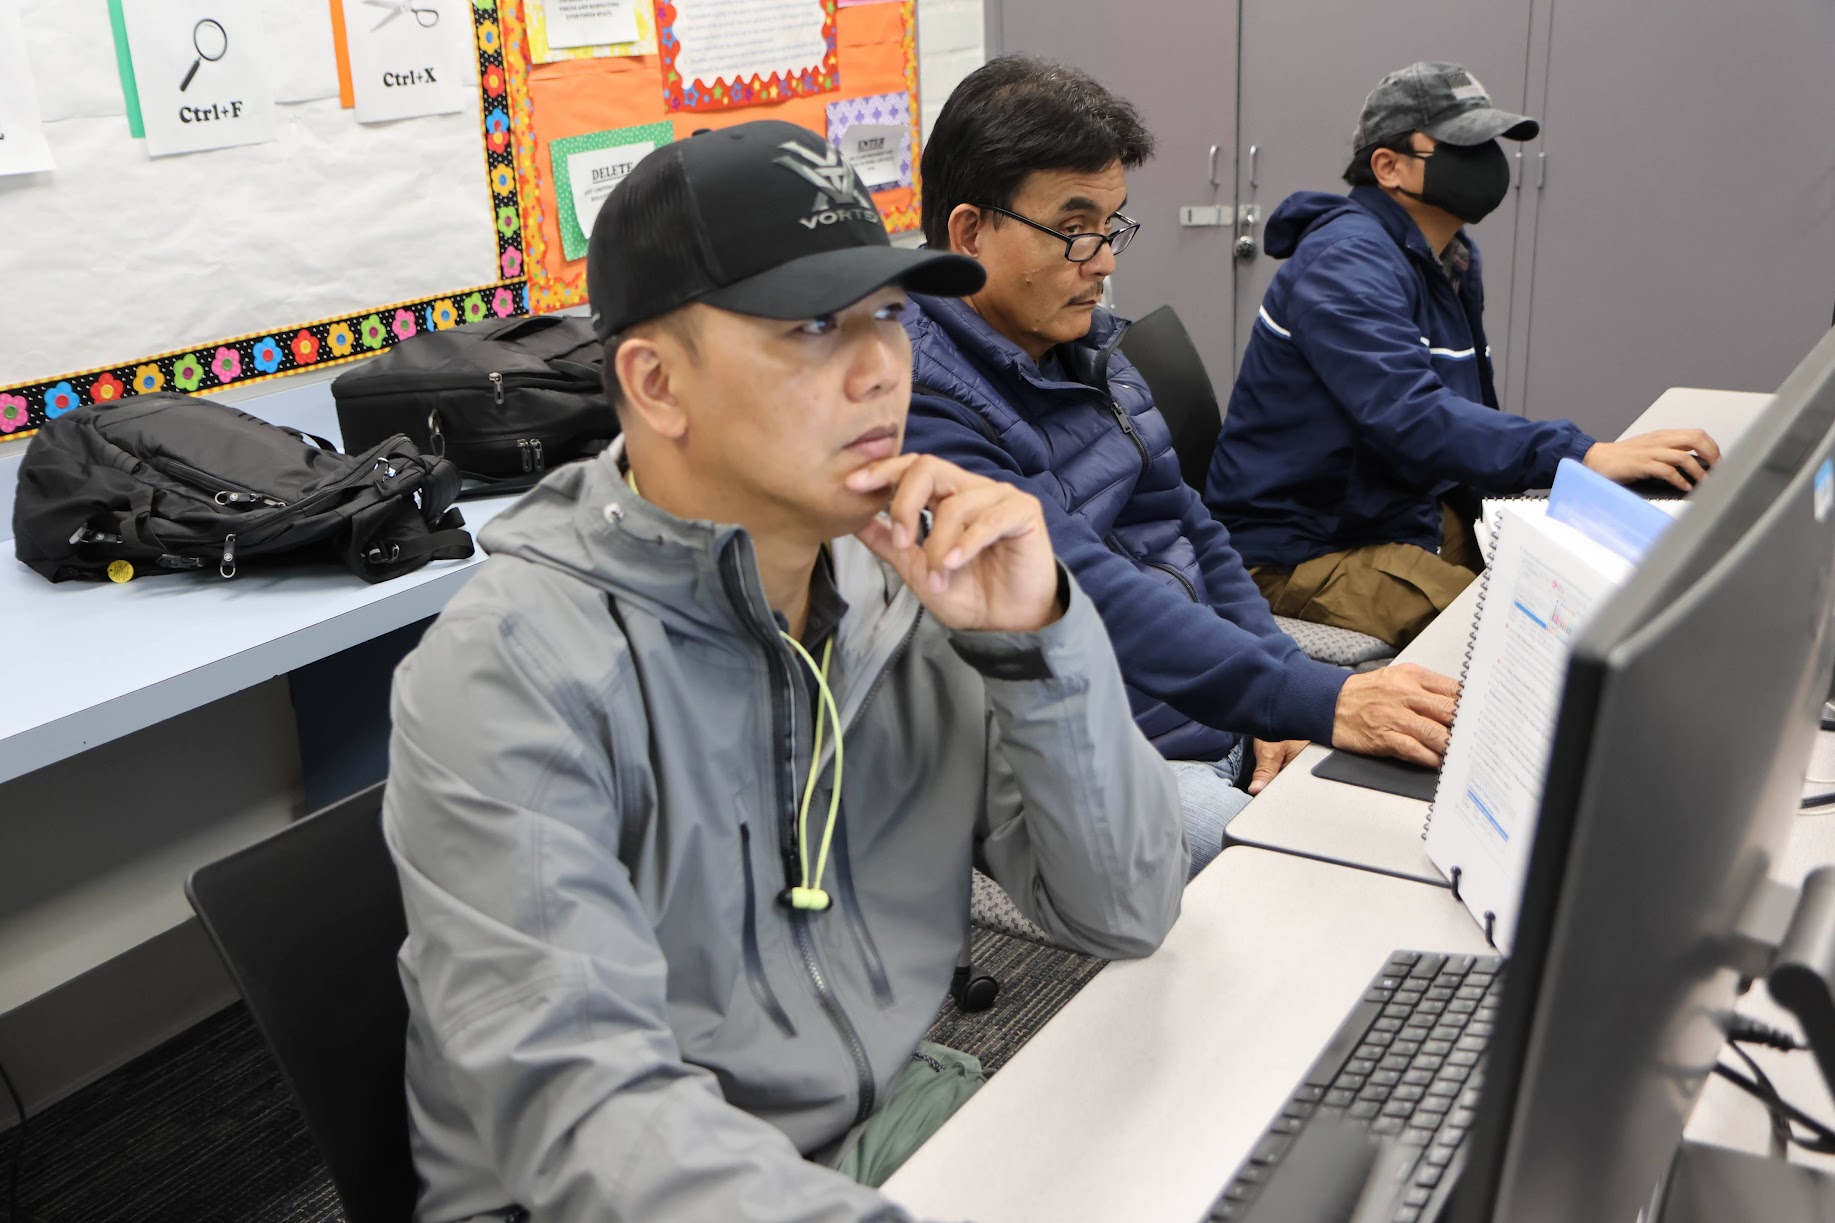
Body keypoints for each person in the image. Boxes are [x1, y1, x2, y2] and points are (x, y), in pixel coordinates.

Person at [381, 120, 1189, 1223]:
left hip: (877, 1128)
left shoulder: (901, 582)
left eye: (891, 318)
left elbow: (1124, 906)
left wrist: (1034, 640)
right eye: (813, 326)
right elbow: (583, 1114)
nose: (880, 372)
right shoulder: (512, 666)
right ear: (656, 382)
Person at [902, 57, 1461, 878]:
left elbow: (1190, 525)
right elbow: (1082, 588)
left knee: (1419, 820)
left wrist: (1282, 691)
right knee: (1308, 877)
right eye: (1075, 228)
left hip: (1214, 706)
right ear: (967, 234)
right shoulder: (919, 403)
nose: (1103, 262)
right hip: (1091, 757)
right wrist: (1312, 696)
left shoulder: (1085, 343)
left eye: (1113, 225)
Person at [1207, 61, 1720, 647]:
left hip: (1391, 510)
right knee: (1526, 636)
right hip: (1301, 551)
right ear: (1388, 166)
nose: (1487, 162)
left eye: (1490, 144)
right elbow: (1414, 417)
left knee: (1586, 580)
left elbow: (1453, 420)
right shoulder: (1345, 262)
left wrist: (1530, 514)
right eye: (1462, 146)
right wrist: (1580, 455)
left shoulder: (1446, 257)